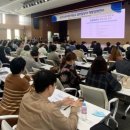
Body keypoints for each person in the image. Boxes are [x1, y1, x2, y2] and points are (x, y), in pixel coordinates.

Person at [16, 70, 82, 130]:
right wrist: (74, 108)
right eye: (54, 85)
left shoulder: (26, 96)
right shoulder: (50, 109)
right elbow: (70, 127)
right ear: (50, 87)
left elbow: (42, 107)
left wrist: (61, 102)